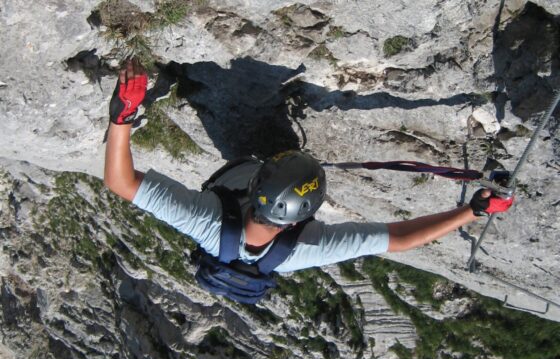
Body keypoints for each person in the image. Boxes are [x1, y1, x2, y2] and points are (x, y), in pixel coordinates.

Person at [104, 61, 514, 274]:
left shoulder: (206, 221)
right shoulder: (304, 251)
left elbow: (120, 182)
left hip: (234, 188)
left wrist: (122, 115)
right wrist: (470, 211)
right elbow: (401, 239)